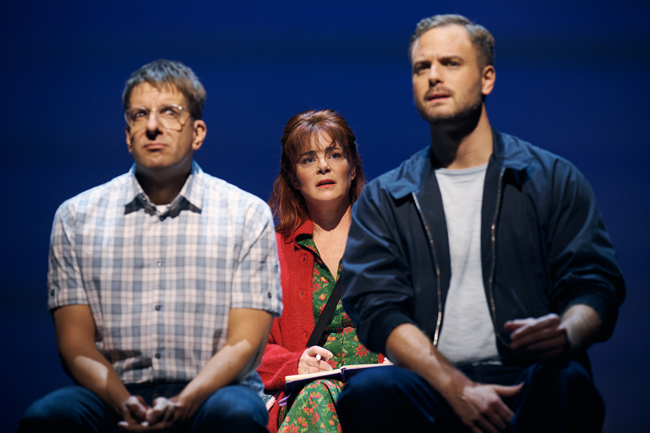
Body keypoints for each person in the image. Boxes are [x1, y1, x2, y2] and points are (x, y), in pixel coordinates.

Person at [336, 14, 625, 433]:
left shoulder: (552, 179)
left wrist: (565, 331)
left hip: (532, 375)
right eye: (422, 67)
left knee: (567, 382)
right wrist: (455, 386)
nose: (434, 76)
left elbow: (595, 284)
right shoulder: (385, 198)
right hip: (431, 383)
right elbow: (376, 308)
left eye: (451, 63)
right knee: (368, 393)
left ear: (487, 78)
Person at [17, 59, 282, 432]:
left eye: (170, 112)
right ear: (128, 135)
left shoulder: (246, 214)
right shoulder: (76, 217)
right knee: (48, 417)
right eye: (139, 115)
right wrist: (123, 401)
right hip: (112, 394)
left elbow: (245, 342)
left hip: (214, 392)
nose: (153, 126)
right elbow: (75, 345)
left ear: (198, 133)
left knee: (235, 414)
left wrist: (182, 403)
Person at [257, 110, 385, 433]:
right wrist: (294, 363)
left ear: (352, 168)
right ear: (293, 178)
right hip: (308, 400)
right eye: (308, 159)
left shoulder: (391, 241)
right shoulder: (270, 251)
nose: (323, 166)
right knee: (317, 395)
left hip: (382, 394)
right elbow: (246, 347)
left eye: (334, 155)